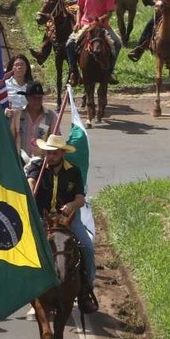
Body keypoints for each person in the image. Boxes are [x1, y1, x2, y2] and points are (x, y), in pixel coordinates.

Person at [25, 134, 98, 314]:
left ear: (62, 154)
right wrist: (31, 187)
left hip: (67, 220)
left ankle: (86, 289)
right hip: (42, 219)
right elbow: (30, 182)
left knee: (86, 246)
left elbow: (80, 199)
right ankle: (14, 288)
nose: (50, 157)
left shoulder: (73, 171)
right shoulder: (37, 166)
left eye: (54, 154)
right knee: (24, 246)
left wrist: (71, 205)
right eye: (48, 153)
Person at [65, 0, 121, 85]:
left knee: (117, 43)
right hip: (86, 24)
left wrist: (101, 19)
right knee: (69, 44)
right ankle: (74, 71)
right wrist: (77, 22)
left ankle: (110, 71)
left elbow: (110, 12)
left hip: (102, 26)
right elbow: (80, 8)